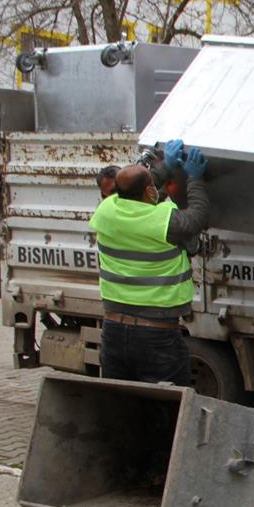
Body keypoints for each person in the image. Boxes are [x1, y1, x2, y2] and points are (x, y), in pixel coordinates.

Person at [88, 140, 209, 385]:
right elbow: (196, 218)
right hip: (156, 335)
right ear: (149, 192)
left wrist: (165, 167)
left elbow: (136, 187)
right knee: (166, 408)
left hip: (113, 332)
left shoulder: (106, 210)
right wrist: (195, 179)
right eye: (153, 185)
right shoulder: (164, 222)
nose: (156, 187)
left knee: (122, 404)